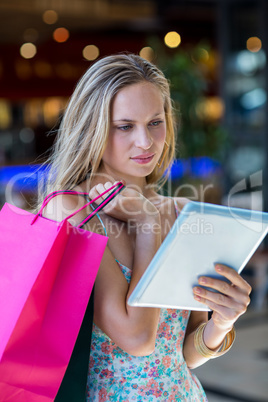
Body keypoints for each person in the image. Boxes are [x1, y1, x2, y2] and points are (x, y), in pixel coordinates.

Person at [41, 53, 251, 401]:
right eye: (125, 126)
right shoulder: (71, 209)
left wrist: (223, 322)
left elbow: (183, 355)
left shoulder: (182, 211)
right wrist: (146, 225)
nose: (146, 142)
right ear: (93, 128)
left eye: (155, 122)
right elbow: (137, 339)